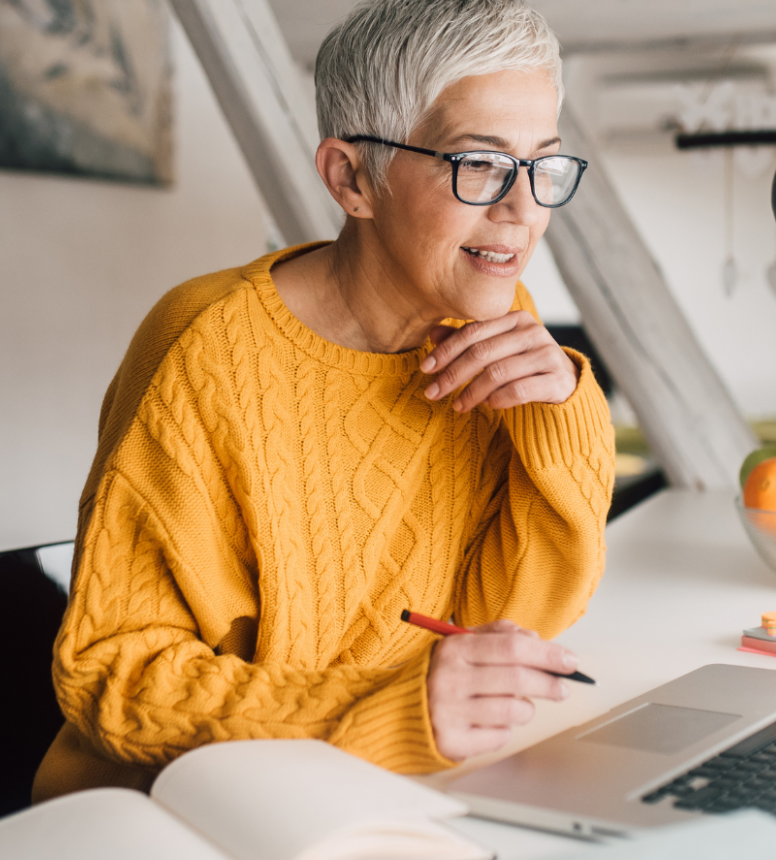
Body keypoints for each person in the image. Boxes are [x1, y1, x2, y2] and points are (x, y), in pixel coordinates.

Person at [32, 0, 613, 802]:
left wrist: (561, 413)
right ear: (351, 178)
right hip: (174, 809)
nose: (523, 211)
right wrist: (373, 711)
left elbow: (517, 616)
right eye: (478, 164)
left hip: (372, 787)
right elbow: (114, 677)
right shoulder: (203, 348)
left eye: (543, 164)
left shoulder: (488, 324)